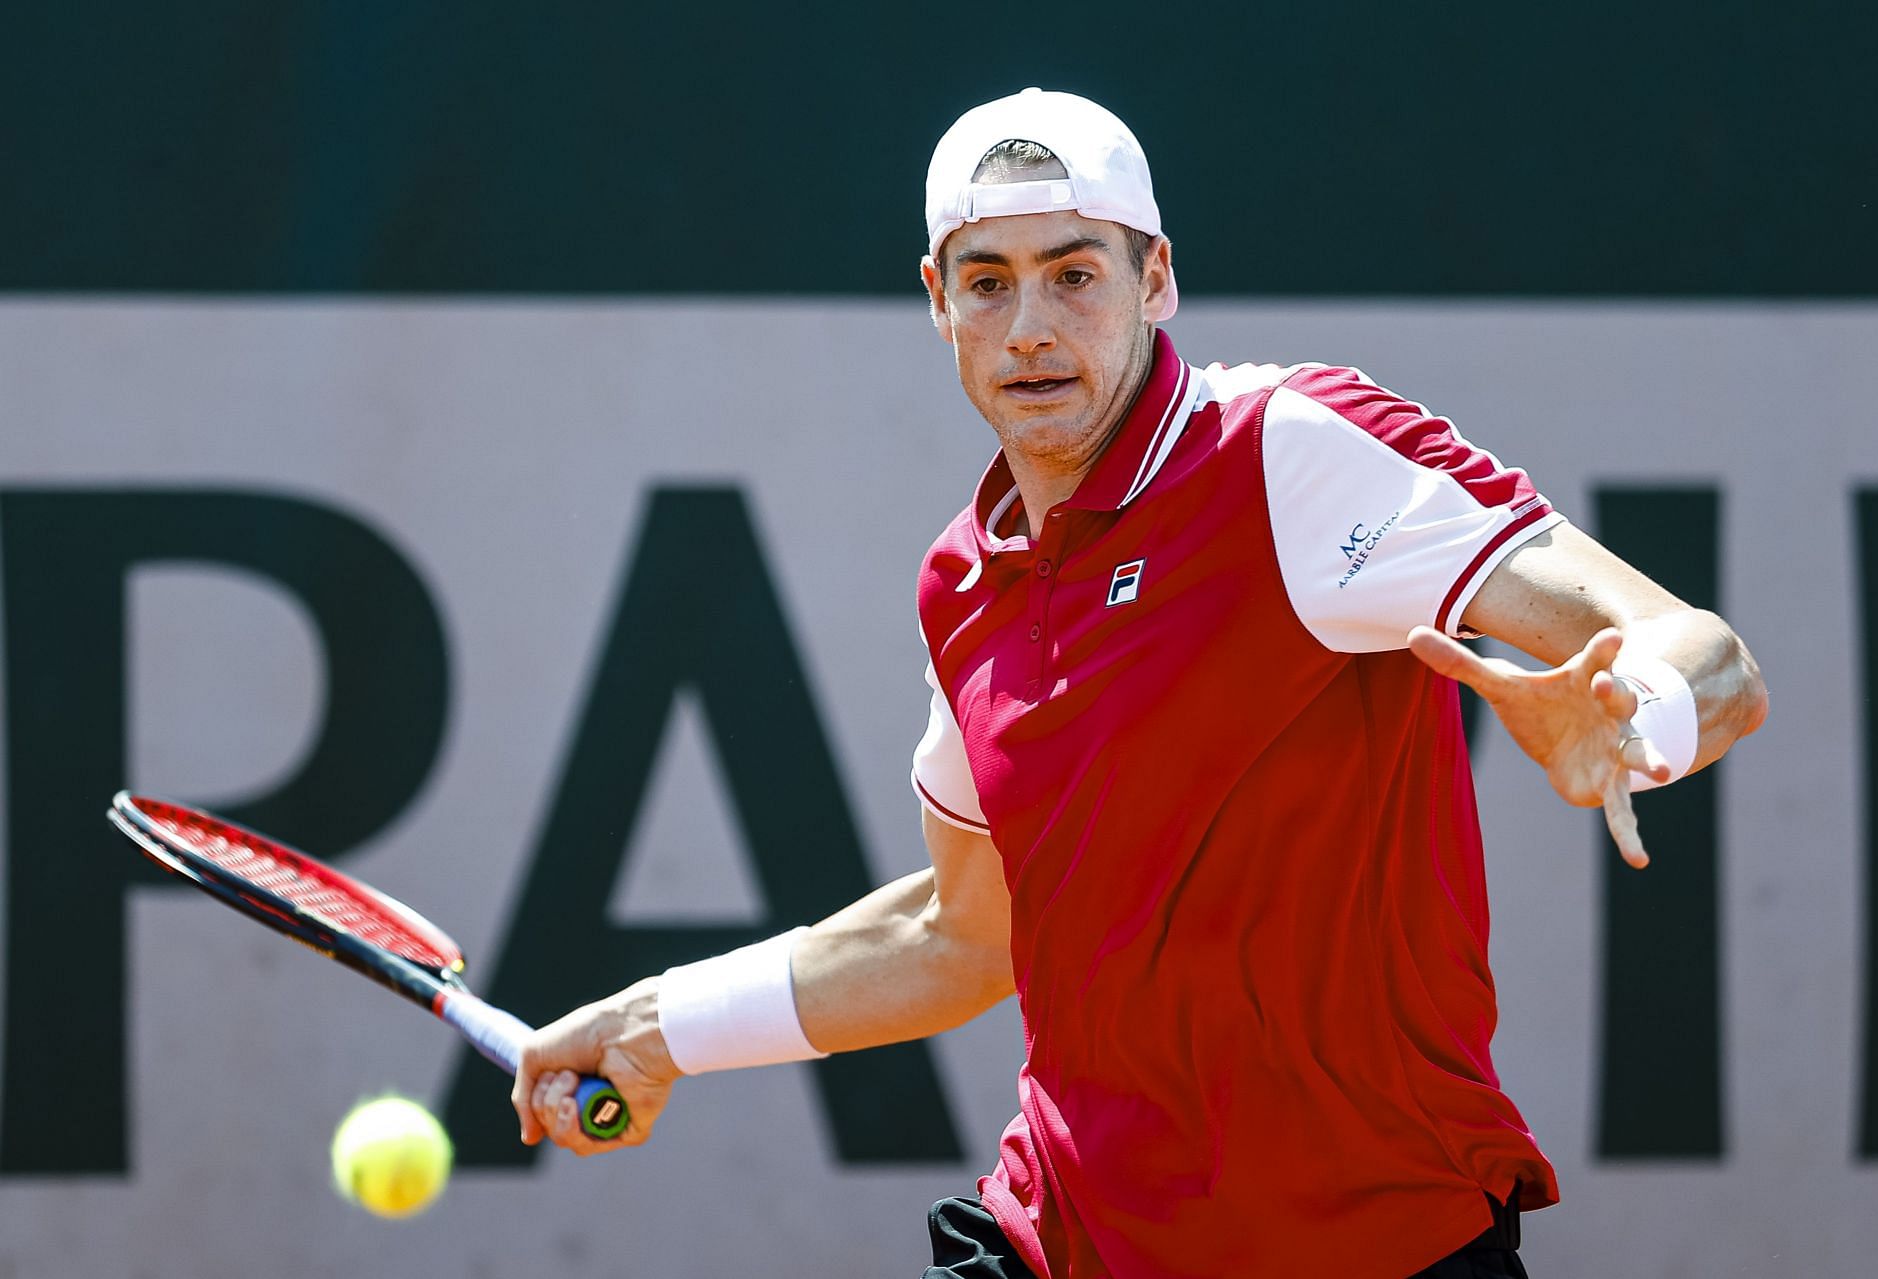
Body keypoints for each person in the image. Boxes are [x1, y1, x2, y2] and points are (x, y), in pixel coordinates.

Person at [507, 88, 1769, 1278]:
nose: (1033, 328)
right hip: (1063, 1236)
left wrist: (1634, 714)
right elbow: (964, 934)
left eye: (1075, 274)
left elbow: (1707, 654)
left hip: (1383, 1239)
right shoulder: (965, 582)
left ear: (1156, 279)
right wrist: (655, 1023)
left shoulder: (1294, 452)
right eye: (988, 285)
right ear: (937, 303)